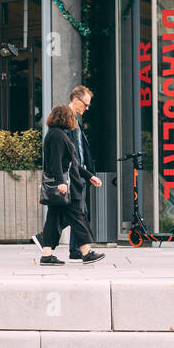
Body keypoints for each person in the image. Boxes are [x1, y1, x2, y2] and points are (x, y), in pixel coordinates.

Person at [35, 104, 104, 265]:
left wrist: (89, 176)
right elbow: (56, 162)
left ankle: (46, 255)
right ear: (66, 118)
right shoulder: (58, 136)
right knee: (78, 217)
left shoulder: (57, 134)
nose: (74, 120)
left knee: (53, 220)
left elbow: (73, 163)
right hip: (66, 186)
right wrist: (61, 183)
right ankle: (86, 252)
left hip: (65, 185)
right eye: (72, 117)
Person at [66, 85, 98, 259]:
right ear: (76, 100)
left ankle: (76, 249)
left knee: (78, 210)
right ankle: (45, 239)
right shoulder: (65, 119)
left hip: (80, 172)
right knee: (77, 211)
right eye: (85, 104)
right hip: (74, 173)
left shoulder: (75, 119)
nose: (86, 108)